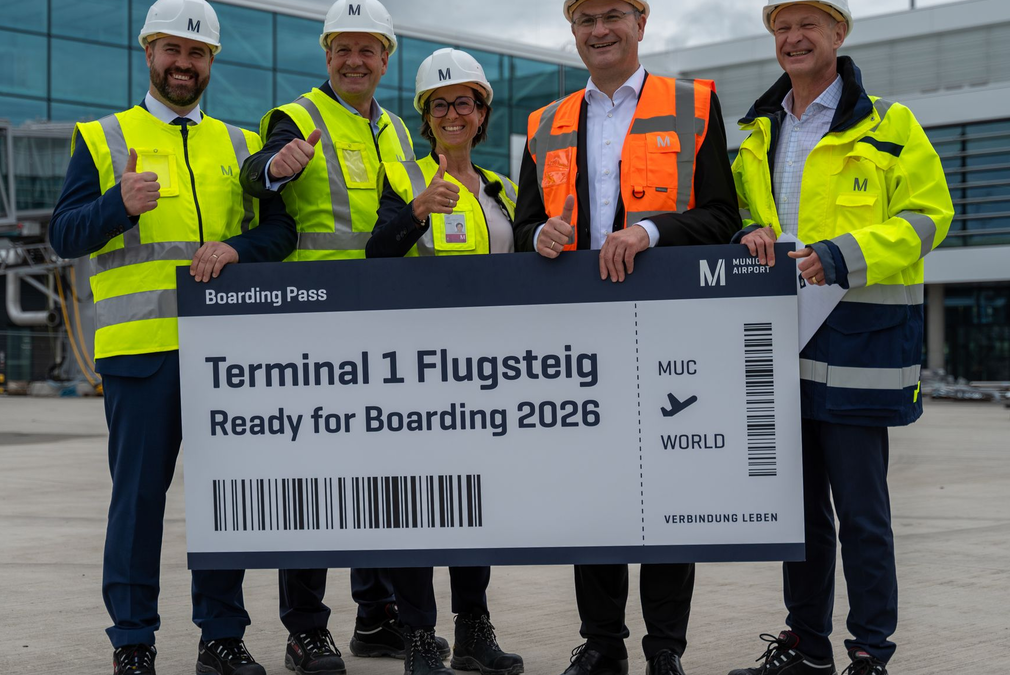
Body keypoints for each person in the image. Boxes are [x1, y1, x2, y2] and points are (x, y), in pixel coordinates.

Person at [49, 1, 296, 674]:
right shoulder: (102, 138)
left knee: (225, 501)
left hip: (226, 354)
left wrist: (239, 248)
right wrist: (115, 203)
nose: (183, 64)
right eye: (171, 51)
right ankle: (133, 640)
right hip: (140, 355)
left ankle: (221, 636)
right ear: (149, 53)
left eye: (197, 53)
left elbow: (282, 234)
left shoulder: (243, 145)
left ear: (212, 61)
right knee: (137, 502)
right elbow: (62, 234)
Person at [512, 2, 740, 675]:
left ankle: (664, 648)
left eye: (613, 14)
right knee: (596, 491)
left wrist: (651, 230)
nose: (599, 29)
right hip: (580, 331)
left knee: (671, 488)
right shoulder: (543, 123)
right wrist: (539, 236)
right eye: (585, 18)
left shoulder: (694, 103)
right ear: (573, 31)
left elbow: (723, 215)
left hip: (670, 326)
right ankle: (603, 641)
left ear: (641, 24)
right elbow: (526, 225)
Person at [727, 2, 953, 674]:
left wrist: (845, 251)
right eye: (781, 28)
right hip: (781, 346)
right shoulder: (756, 135)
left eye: (808, 25)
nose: (792, 38)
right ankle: (806, 646)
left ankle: (870, 652)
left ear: (838, 34)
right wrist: (746, 233)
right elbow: (742, 216)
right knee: (796, 518)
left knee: (861, 515)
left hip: (859, 348)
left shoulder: (891, 126)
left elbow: (928, 217)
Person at [237, 2, 430, 674]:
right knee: (313, 485)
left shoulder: (400, 129)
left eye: (367, 50)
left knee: (380, 482)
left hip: (383, 324)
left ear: (386, 58)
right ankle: (305, 629)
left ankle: (376, 616)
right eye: (342, 49)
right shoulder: (299, 117)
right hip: (313, 327)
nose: (354, 61)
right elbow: (256, 177)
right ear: (326, 57)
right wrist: (276, 166)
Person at [366, 47, 524, 675]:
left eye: (465, 102)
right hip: (416, 374)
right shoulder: (402, 179)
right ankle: (418, 635)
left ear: (482, 113)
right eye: (440, 104)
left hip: (485, 375)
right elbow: (376, 256)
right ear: (425, 117)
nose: (453, 113)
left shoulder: (504, 191)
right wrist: (414, 215)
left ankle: (473, 631)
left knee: (473, 503)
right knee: (413, 504)